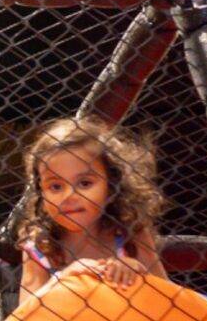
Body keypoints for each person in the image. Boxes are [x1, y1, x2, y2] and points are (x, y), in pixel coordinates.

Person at [16, 116, 166, 309]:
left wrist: (137, 271)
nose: (69, 196)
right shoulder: (40, 246)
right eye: (55, 186)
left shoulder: (130, 232)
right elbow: (24, 315)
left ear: (111, 185)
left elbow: (168, 297)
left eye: (85, 183)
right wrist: (63, 280)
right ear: (40, 192)